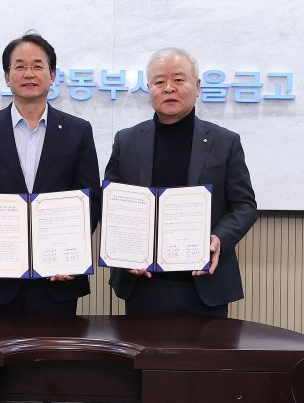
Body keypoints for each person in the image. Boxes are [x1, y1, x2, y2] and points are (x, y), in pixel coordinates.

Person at [0, 32, 101, 314]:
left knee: (54, 346)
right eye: (19, 66)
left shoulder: (78, 131)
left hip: (57, 281)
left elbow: (90, 199)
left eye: (37, 66)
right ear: (7, 77)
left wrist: (74, 253)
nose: (29, 73)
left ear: (52, 75)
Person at [105, 47, 257, 316]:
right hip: (143, 283)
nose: (169, 88)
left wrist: (219, 238)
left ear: (197, 86)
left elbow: (244, 206)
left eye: (178, 79)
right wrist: (124, 249)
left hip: (204, 282)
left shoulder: (225, 142)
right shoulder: (127, 141)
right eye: (159, 81)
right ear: (149, 88)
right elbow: (112, 205)